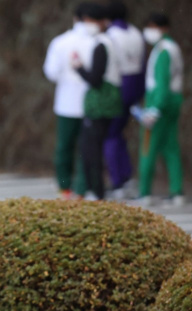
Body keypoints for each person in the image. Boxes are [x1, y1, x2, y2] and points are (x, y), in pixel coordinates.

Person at [44, 3, 95, 199]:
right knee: (85, 148)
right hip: (89, 103)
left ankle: (64, 187)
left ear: (75, 18)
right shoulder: (95, 42)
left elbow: (51, 72)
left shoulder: (60, 42)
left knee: (64, 147)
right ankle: (82, 188)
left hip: (65, 102)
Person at [73, 4, 122, 200]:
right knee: (93, 147)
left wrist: (78, 67)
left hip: (101, 105)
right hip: (108, 103)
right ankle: (96, 190)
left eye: (91, 21)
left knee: (90, 149)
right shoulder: (109, 41)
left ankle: (97, 191)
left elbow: (95, 79)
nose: (88, 25)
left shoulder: (101, 44)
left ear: (102, 22)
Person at [136, 13, 184, 206]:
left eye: (153, 26)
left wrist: (154, 109)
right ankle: (177, 191)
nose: (150, 31)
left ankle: (145, 192)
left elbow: (161, 83)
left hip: (160, 103)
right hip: (173, 101)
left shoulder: (163, 51)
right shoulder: (172, 47)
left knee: (148, 147)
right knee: (171, 148)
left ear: (164, 28)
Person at [103, 1, 146, 198]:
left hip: (119, 87)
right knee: (119, 133)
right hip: (136, 85)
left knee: (110, 135)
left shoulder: (110, 36)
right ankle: (126, 176)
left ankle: (117, 180)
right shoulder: (136, 33)